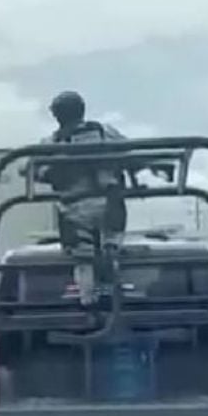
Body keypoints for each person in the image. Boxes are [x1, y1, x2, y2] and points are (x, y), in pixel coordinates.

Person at [36, 91, 129, 306]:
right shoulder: (105, 131)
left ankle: (88, 303)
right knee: (112, 248)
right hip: (110, 204)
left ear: (58, 115)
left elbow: (33, 169)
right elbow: (129, 153)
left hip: (74, 210)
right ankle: (113, 280)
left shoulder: (51, 142)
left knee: (83, 261)